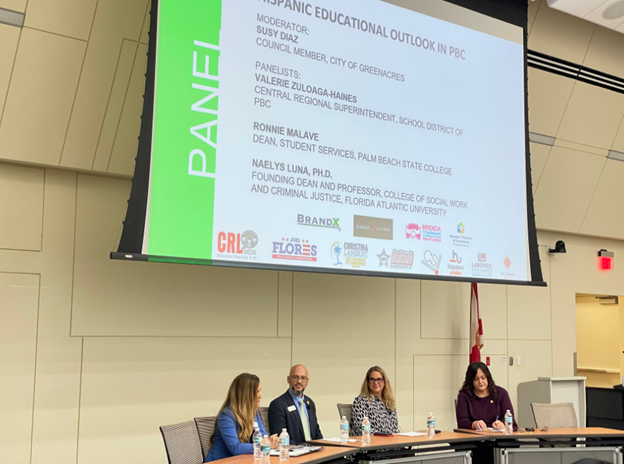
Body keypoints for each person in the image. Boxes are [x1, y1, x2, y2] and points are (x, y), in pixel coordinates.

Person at [205, 373, 279, 462]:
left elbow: (263, 437)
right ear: (246, 395)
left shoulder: (254, 413)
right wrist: (265, 445)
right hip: (220, 461)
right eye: (256, 392)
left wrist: (272, 441)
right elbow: (235, 448)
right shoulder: (226, 416)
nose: (260, 396)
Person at [268, 364, 323, 443]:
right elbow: (280, 437)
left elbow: (316, 432)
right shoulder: (278, 405)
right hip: (294, 449)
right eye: (295, 377)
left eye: (303, 378)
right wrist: (303, 448)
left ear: (307, 381)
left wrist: (324, 445)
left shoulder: (310, 403)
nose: (299, 381)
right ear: (288, 379)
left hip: (314, 449)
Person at [456, 362, 518, 431]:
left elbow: (510, 420)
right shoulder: (464, 396)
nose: (480, 381)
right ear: (471, 381)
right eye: (476, 379)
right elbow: (462, 422)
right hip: (474, 436)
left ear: (488, 377)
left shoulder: (501, 393)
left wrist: (502, 424)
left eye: (483, 378)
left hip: (498, 435)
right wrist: (474, 424)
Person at [351, 366, 400, 434]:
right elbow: (361, 428)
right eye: (372, 379)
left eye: (379, 379)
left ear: (384, 382)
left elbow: (395, 429)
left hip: (390, 439)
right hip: (369, 439)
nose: (376, 383)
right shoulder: (361, 401)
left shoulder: (389, 402)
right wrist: (383, 437)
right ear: (367, 382)